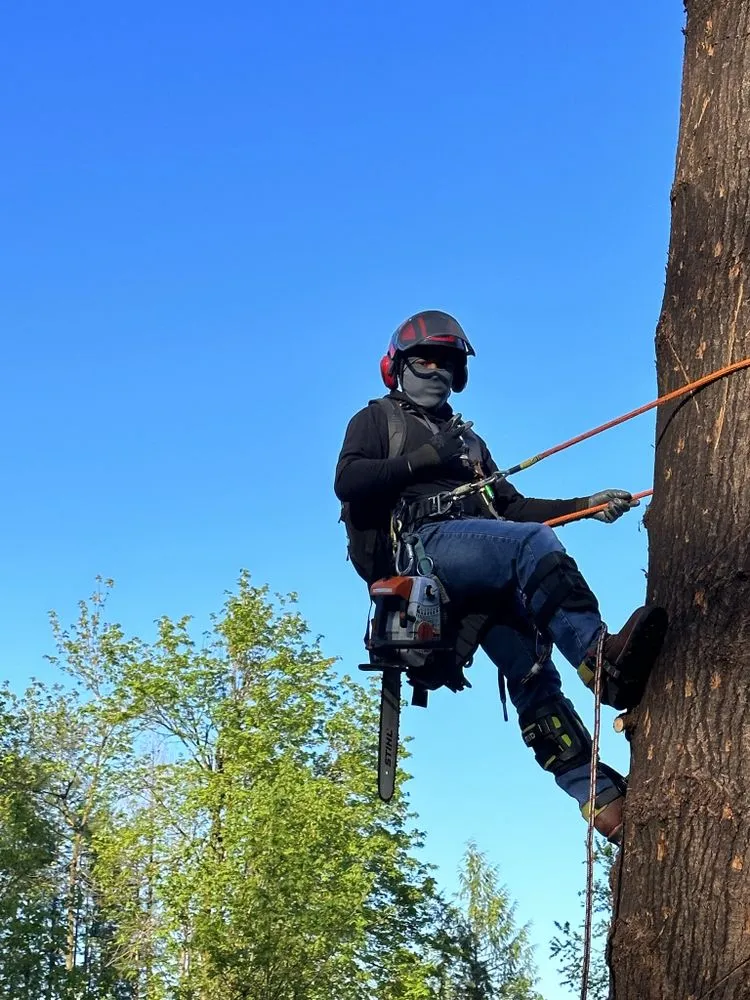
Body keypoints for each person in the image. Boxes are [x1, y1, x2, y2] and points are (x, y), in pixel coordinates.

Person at [334, 309, 667, 842]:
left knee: (533, 674)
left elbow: (509, 510)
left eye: (447, 362)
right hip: (426, 550)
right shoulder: (376, 420)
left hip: (479, 564)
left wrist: (585, 504)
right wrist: (424, 458)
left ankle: (601, 801)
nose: (437, 370)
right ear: (397, 365)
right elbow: (349, 481)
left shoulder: (469, 443)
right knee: (531, 549)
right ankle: (600, 659)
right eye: (425, 359)